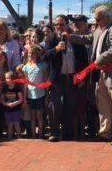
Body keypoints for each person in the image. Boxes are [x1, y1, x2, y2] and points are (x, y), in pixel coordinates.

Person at [67, 5, 112, 146]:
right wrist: (70, 37)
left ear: (107, 17)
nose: (95, 21)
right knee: (103, 104)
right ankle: (105, 133)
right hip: (101, 74)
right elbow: (87, 38)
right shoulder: (98, 30)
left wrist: (98, 60)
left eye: (97, 19)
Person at [43, 14, 88, 142]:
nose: (58, 26)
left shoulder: (75, 39)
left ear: (67, 25)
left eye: (61, 24)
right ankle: (54, 132)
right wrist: (56, 49)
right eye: (56, 24)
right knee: (55, 106)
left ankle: (68, 134)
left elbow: (84, 60)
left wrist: (82, 78)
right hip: (57, 79)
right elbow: (44, 56)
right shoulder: (51, 40)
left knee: (70, 106)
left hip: (73, 78)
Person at [23, 45, 46, 139]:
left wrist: (47, 95)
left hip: (41, 94)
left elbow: (45, 80)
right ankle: (33, 136)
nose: (31, 55)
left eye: (33, 53)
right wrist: (24, 98)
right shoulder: (26, 67)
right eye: (29, 53)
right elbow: (25, 83)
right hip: (30, 95)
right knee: (32, 116)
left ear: (37, 54)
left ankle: (40, 135)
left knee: (40, 116)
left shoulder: (42, 65)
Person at [1, 71, 23, 139]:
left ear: (13, 79)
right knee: (9, 125)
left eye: (7, 78)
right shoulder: (4, 88)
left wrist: (14, 104)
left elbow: (21, 99)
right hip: (7, 110)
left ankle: (19, 136)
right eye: (5, 78)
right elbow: (1, 99)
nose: (6, 80)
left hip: (16, 110)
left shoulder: (17, 88)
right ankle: (10, 136)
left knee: (16, 124)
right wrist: (6, 104)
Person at [15, 63, 32, 138]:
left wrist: (25, 101)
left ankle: (29, 134)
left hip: (27, 101)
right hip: (19, 101)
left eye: (21, 72)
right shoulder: (17, 82)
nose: (20, 74)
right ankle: (20, 131)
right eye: (18, 73)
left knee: (27, 116)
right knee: (20, 117)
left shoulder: (27, 80)